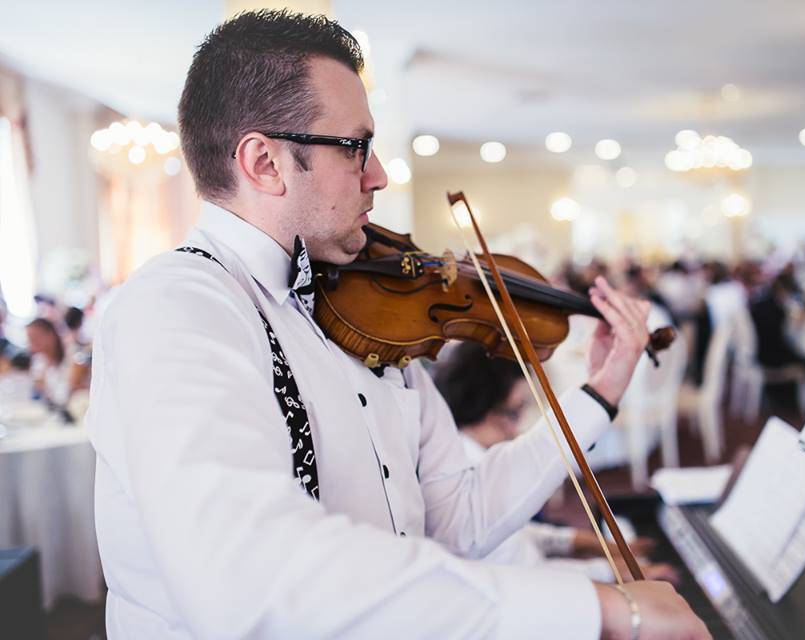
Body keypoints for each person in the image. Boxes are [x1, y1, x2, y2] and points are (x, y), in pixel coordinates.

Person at [87, 10, 708, 640]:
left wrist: (599, 392)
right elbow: (246, 571)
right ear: (265, 162)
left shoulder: (368, 315)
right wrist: (594, 611)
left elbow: (456, 520)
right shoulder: (175, 308)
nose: (378, 175)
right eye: (355, 146)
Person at [433, 341, 680, 584]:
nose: (516, 428)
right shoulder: (471, 473)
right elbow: (530, 573)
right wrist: (611, 572)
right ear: (481, 407)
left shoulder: (462, 452)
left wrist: (586, 543)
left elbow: (515, 533)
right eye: (514, 411)